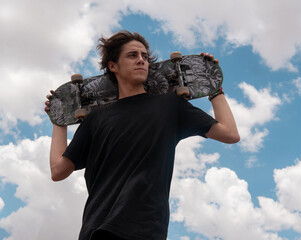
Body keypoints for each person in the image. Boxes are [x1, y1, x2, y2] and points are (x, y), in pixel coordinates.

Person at [45, 30, 240, 240]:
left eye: (144, 56)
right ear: (113, 66)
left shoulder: (169, 105)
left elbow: (230, 133)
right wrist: (60, 118)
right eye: (132, 55)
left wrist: (213, 86)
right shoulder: (96, 119)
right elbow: (58, 170)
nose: (141, 60)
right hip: (96, 229)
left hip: (145, 228)